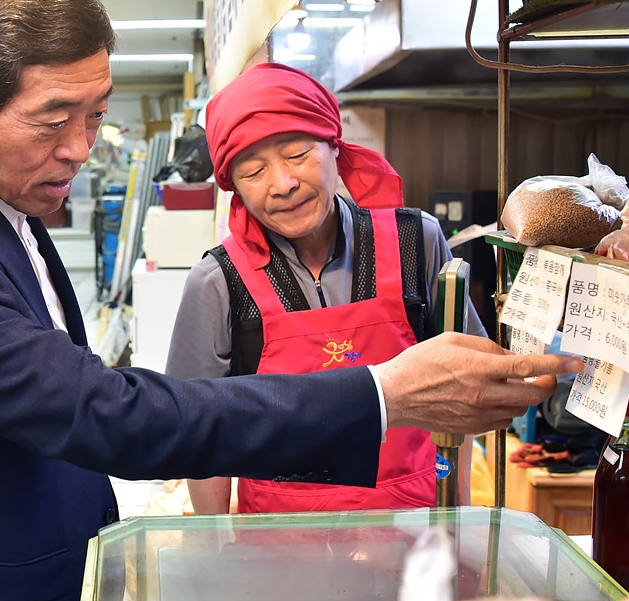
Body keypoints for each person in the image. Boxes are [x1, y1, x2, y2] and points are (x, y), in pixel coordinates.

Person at [0, 0, 582, 601]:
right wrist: (385, 392)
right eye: (55, 120)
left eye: (96, 115)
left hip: (47, 582)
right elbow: (106, 412)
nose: (82, 147)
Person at [167, 62, 480, 514]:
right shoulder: (218, 282)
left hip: (411, 533)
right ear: (232, 186)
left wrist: (460, 519)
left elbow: (465, 388)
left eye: (297, 154)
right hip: (276, 546)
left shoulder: (418, 242)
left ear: (335, 144)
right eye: (253, 172)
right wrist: (219, 552)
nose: (283, 184)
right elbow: (200, 433)